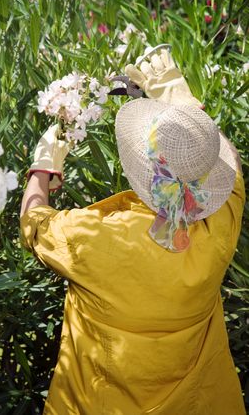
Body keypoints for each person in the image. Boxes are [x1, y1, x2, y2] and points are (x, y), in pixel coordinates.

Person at [20, 46, 246, 415]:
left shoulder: (98, 239)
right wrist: (188, 109)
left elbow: (34, 223)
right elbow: (231, 165)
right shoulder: (219, 224)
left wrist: (43, 168)